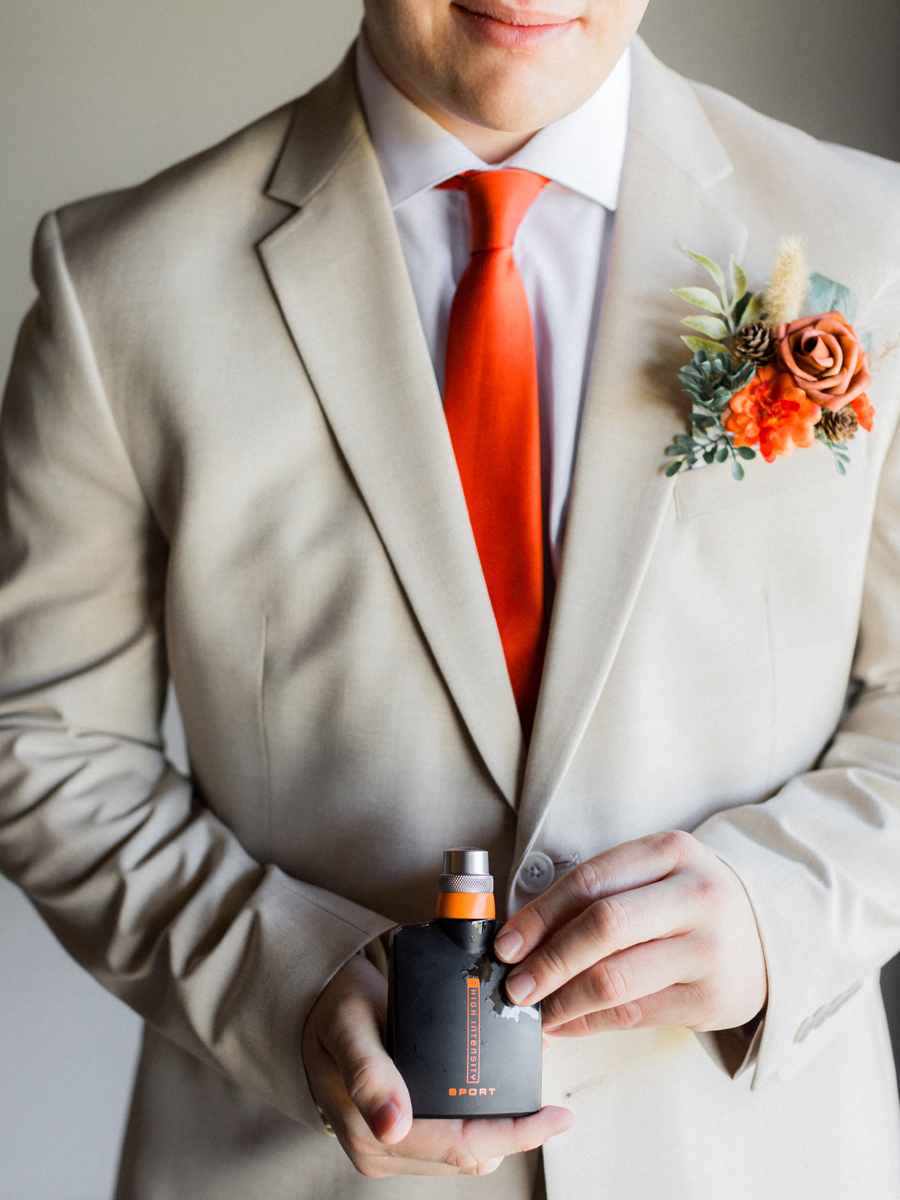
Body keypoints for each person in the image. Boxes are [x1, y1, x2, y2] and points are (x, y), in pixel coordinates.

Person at [1, 0, 899, 1197]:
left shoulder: (871, 238)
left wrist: (779, 909)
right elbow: (47, 740)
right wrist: (289, 980)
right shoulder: (116, 284)